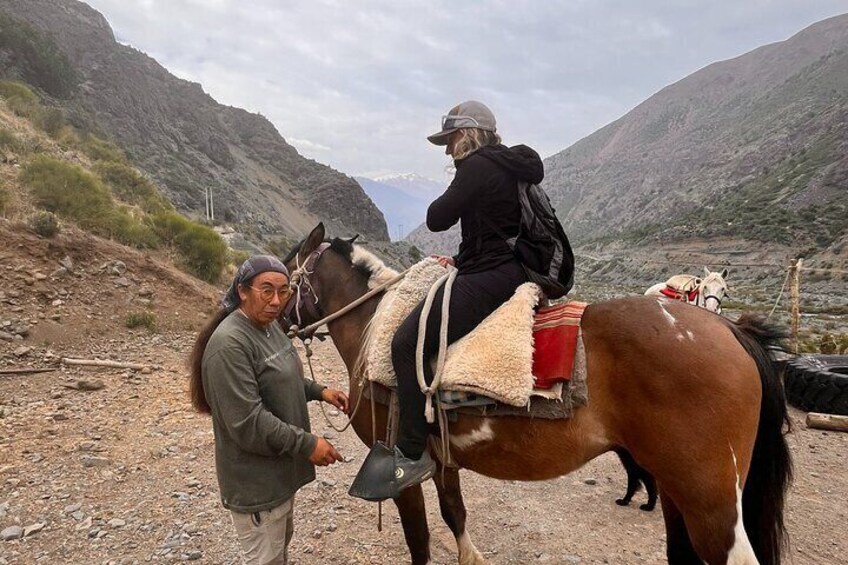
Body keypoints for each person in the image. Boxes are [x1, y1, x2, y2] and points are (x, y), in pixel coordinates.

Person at [353, 100, 548, 497]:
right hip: (503, 266)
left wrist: (462, 178)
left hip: (492, 275)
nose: (447, 149)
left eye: (451, 139)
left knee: (405, 343)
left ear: (469, 134)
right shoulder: (509, 166)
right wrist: (462, 258)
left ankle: (411, 451)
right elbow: (496, 228)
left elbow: (437, 216)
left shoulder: (478, 165)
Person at [188, 255, 348, 564]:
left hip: (279, 476)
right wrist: (308, 444)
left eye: (284, 291)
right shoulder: (229, 345)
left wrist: (320, 392)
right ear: (243, 291)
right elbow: (249, 423)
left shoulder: (268, 326)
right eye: (266, 290)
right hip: (257, 486)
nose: (276, 301)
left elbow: (282, 376)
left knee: (278, 553)